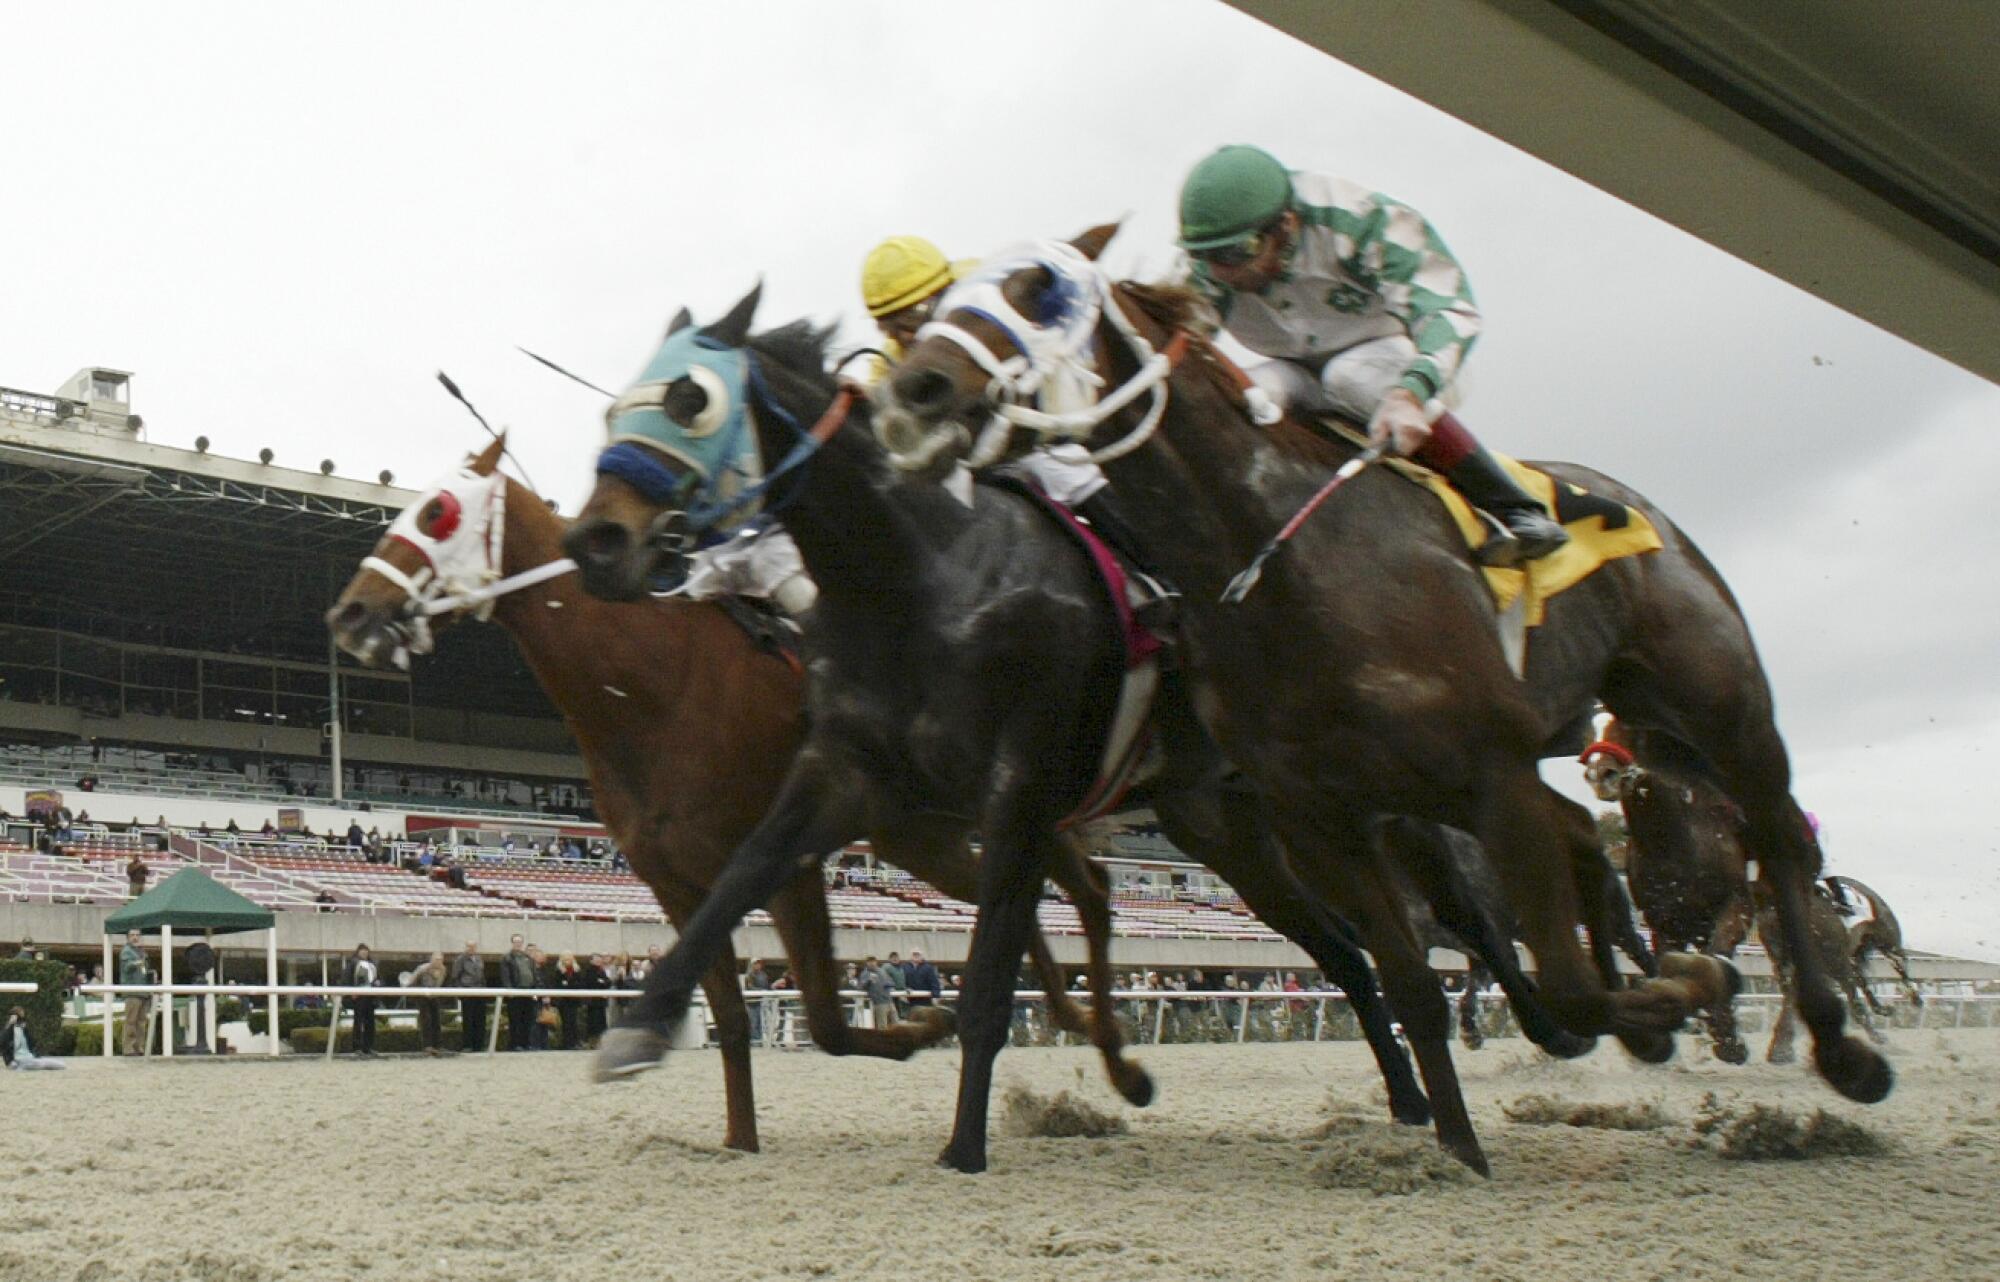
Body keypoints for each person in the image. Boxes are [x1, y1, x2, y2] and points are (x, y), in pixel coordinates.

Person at [1176, 144, 1568, 567]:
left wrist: (1410, 394)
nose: (1220, 272)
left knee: (1350, 377)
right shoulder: (1209, 267)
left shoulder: (1357, 219)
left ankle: (1516, 509)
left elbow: (1449, 309)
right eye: (1206, 256)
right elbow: (1179, 351)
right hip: (1294, 370)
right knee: (1246, 392)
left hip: (1393, 362)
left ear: (1286, 225)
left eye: (1237, 253)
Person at [449, 941, 487, 1052]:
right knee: (468, 1020)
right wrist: (460, 991)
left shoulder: (479, 959)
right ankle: (468, 1045)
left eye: (474, 946)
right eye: (469, 946)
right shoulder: (460, 959)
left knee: (480, 1019)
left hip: (480, 992)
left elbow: (482, 975)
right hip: (467, 992)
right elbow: (455, 976)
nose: (472, 948)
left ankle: (479, 1045)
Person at [118, 929, 152, 1056]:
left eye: (137, 935)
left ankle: (139, 1047)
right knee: (131, 1021)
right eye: (132, 935)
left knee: (142, 1021)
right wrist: (137, 963)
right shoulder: (126, 951)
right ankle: (129, 1048)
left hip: (143, 991)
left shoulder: (142, 952)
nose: (135, 937)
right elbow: (127, 967)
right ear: (127, 938)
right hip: (132, 991)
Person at [501, 934, 537, 1051]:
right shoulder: (507, 958)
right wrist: (509, 989)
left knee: (527, 1019)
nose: (518, 943)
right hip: (515, 993)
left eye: (520, 941)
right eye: (515, 941)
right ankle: (515, 1044)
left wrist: (534, 990)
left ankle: (526, 1043)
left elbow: (533, 974)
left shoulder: (528, 958)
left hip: (528, 992)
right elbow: (505, 976)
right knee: (515, 1020)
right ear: (512, 943)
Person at [409, 950, 448, 1056]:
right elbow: (411, 981)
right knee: (426, 1020)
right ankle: (427, 1046)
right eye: (436, 959)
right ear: (432, 959)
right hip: (422, 996)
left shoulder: (443, 970)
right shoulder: (422, 969)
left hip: (434, 996)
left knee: (436, 1020)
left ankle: (438, 1045)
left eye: (440, 960)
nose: (438, 962)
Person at [344, 944, 379, 1057]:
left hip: (370, 996)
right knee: (358, 1022)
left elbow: (378, 979)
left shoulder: (372, 964)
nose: (364, 953)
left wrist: (378, 985)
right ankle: (357, 1047)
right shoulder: (353, 964)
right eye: (362, 951)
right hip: (358, 997)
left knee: (370, 1023)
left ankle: (368, 1047)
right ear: (358, 952)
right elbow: (347, 979)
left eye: (366, 951)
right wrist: (351, 993)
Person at [859, 956, 897, 1030]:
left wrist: (889, 985)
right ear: (867, 963)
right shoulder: (865, 973)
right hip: (879, 1003)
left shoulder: (882, 971)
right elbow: (861, 986)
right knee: (882, 1027)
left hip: (889, 1001)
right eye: (870, 961)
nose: (872, 963)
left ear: (876, 962)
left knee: (896, 1024)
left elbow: (892, 982)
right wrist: (869, 980)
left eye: (873, 961)